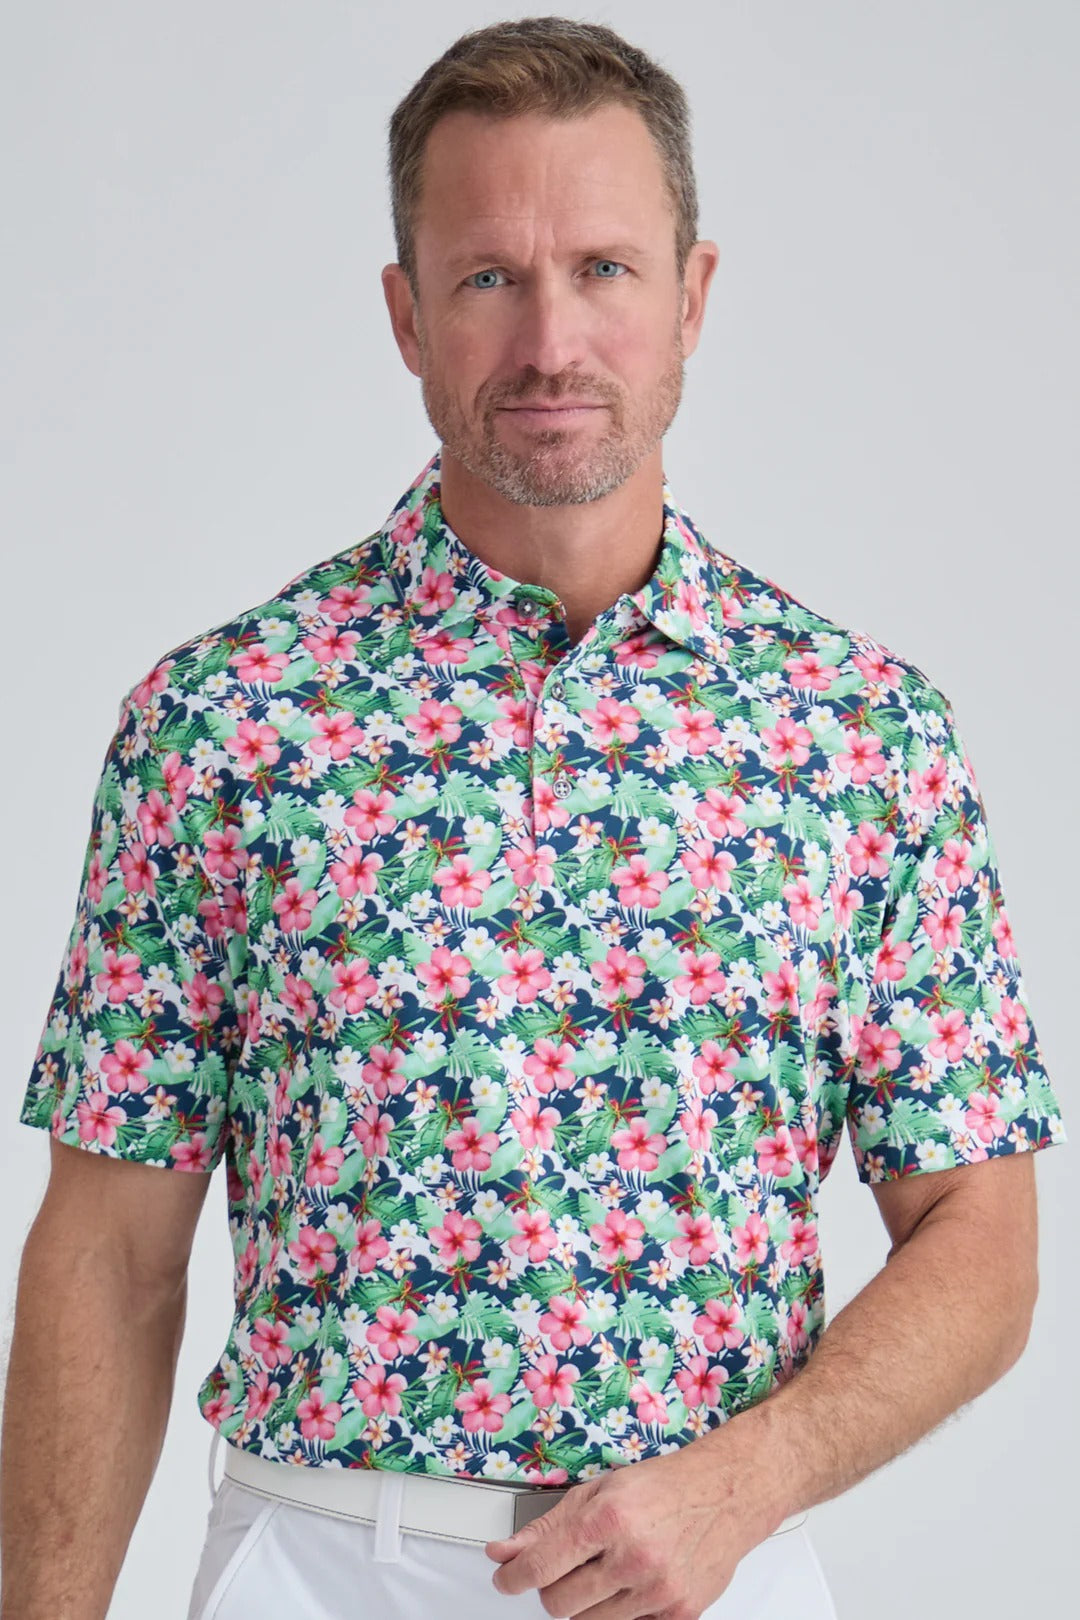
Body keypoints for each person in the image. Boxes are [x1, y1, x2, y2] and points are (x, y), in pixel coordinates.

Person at [1, 14, 1067, 1620]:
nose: (551, 339)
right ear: (406, 315)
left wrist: (749, 1481)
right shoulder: (225, 723)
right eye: (489, 276)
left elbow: (981, 1232)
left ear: (693, 296)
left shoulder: (863, 734)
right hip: (320, 1566)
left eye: (604, 270)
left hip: (719, 1573)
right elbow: (109, 1254)